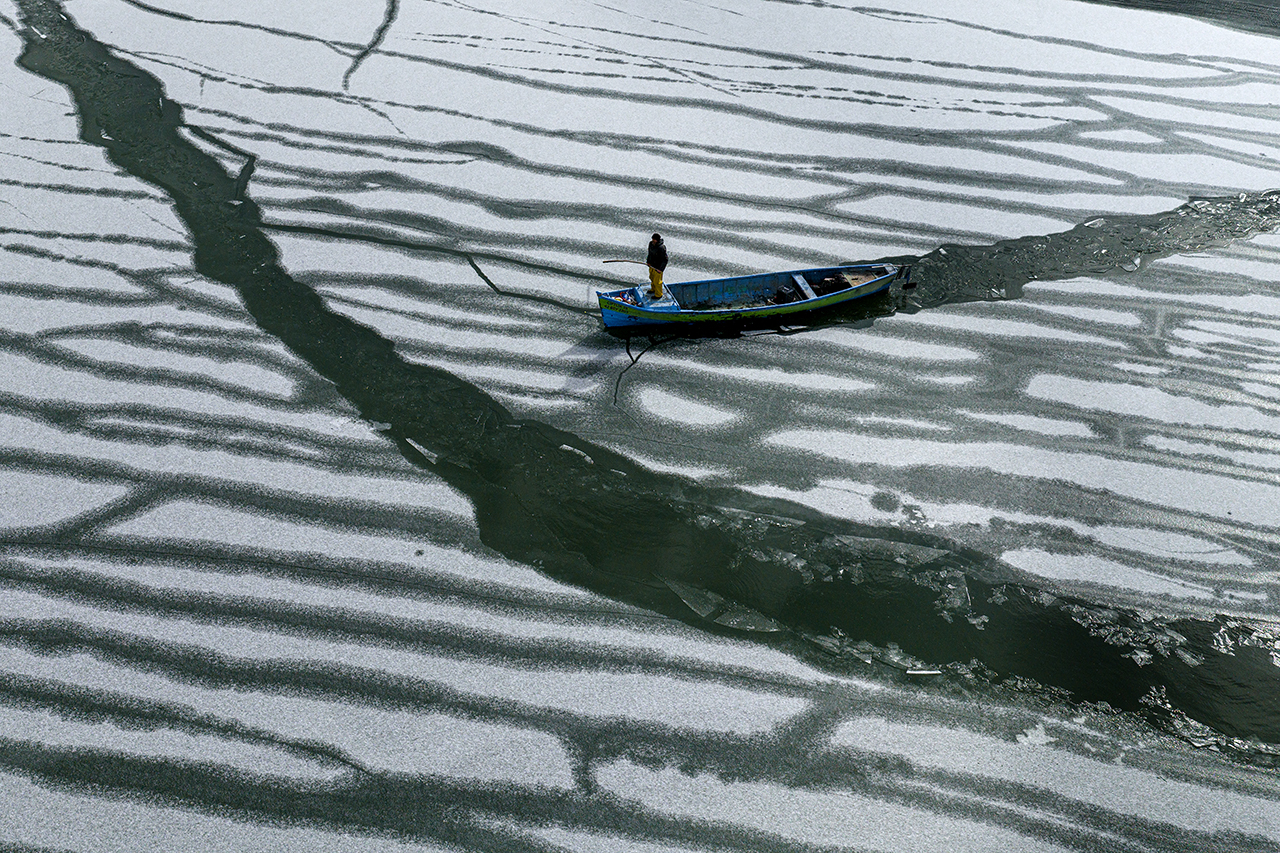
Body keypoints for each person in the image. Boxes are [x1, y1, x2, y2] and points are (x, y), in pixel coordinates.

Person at [646, 233, 668, 298]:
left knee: (657, 282)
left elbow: (665, 260)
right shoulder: (651, 244)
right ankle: (653, 289)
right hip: (652, 265)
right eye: (652, 239)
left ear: (657, 240)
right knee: (652, 278)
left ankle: (658, 294)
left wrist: (661, 269)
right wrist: (648, 262)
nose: (653, 241)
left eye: (654, 240)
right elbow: (649, 254)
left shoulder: (661, 248)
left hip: (658, 268)